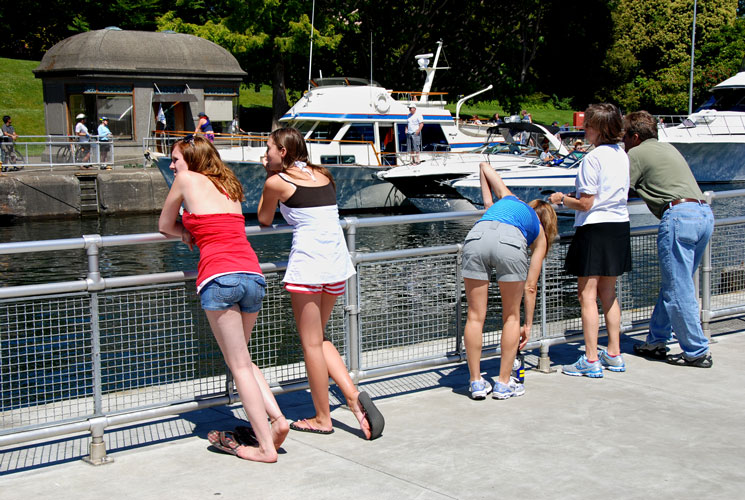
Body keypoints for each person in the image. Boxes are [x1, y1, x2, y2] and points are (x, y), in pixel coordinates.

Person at [159, 135, 289, 462]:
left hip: (219, 277)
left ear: (192, 159)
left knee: (239, 364)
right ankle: (278, 419)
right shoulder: (227, 183)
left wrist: (185, 232)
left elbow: (164, 225)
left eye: (176, 159)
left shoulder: (185, 180)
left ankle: (265, 447)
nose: (172, 166)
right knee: (244, 359)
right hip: (252, 275)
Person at [258, 127, 384, 440]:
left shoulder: (277, 181)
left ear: (283, 152)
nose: (265, 155)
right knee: (321, 338)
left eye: (269, 149)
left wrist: (268, 176)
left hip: (309, 264)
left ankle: (322, 417)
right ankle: (353, 397)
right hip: (337, 263)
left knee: (311, 344)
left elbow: (263, 218)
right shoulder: (324, 174)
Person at [623, 111, 714, 367]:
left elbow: (618, 189)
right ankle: (656, 340)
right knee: (675, 282)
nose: (623, 142)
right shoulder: (668, 148)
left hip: (678, 217)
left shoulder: (636, 154)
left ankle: (696, 351)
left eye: (625, 137)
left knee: (678, 288)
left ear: (635, 136)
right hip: (703, 214)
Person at [549, 103, 631, 378]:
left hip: (595, 228)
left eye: (588, 125)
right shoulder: (621, 155)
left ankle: (591, 357)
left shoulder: (592, 159)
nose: (584, 130)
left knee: (586, 295)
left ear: (599, 129)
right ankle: (614, 353)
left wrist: (561, 199)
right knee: (609, 294)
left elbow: (585, 204)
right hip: (619, 225)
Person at [463, 162, 558, 399]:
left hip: (477, 235)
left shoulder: (510, 198)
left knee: (475, 315)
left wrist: (487, 205)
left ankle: (476, 382)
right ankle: (503, 384)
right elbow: (531, 286)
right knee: (511, 317)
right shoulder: (539, 233)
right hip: (510, 242)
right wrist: (527, 324)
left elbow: (484, 166)